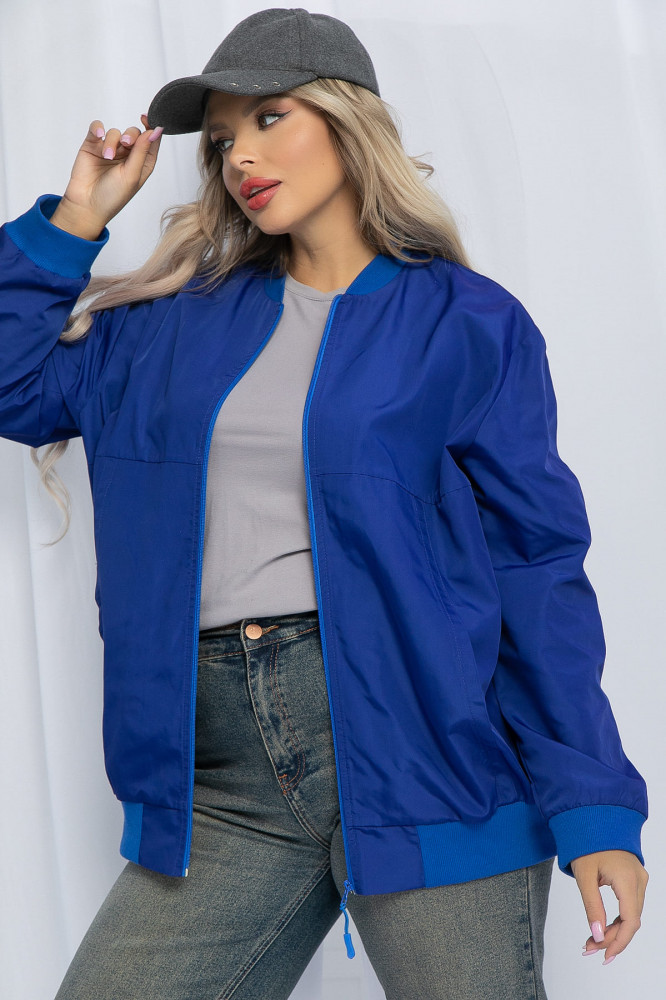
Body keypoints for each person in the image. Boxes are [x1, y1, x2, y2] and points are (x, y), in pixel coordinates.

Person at [0, 7, 649, 999]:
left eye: (269, 119)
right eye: (222, 139)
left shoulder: (464, 324)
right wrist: (78, 216)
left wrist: (595, 807)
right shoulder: (172, 325)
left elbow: (536, 568)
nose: (239, 157)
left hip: (426, 757)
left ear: (348, 122)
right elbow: (17, 386)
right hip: (221, 785)